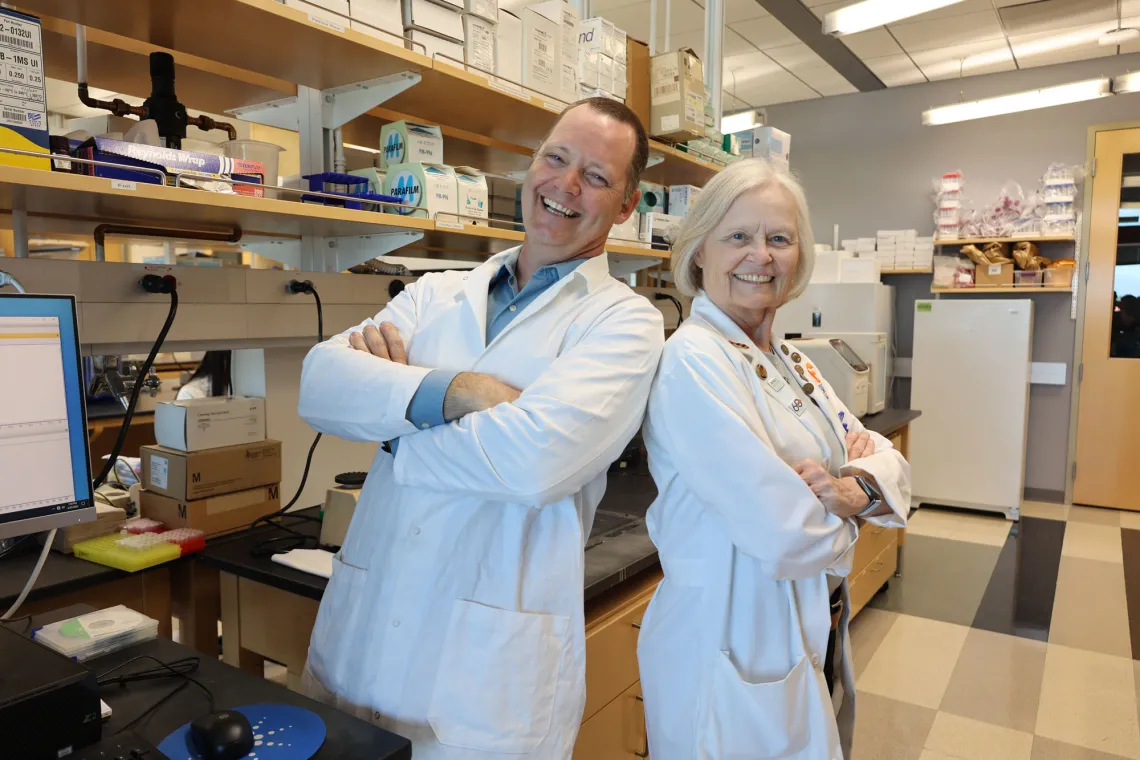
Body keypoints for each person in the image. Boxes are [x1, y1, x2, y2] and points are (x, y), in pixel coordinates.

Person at [295, 97, 664, 760]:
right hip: (362, 638)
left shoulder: (626, 323)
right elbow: (320, 383)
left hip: (481, 690)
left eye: (597, 176)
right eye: (556, 158)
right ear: (533, 162)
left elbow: (533, 463)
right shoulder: (435, 291)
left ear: (627, 203)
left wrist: (393, 418)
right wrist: (460, 392)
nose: (565, 186)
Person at [637, 159, 911, 760]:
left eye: (779, 239)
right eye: (738, 236)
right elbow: (786, 534)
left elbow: (890, 462)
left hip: (809, 618)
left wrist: (849, 491)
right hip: (729, 639)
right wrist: (859, 500)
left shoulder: (795, 362)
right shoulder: (693, 362)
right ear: (699, 251)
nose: (761, 255)